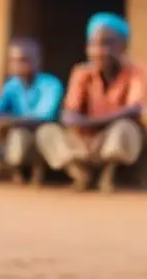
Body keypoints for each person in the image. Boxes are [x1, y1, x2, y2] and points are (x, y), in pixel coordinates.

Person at [35, 13, 145, 193]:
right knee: (46, 132)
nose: (99, 51)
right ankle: (80, 174)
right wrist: (93, 128)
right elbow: (69, 117)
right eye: (93, 44)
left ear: (124, 45)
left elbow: (134, 112)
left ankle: (110, 174)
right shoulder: (81, 72)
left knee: (125, 128)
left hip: (110, 139)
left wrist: (87, 122)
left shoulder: (137, 72)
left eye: (108, 44)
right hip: (85, 141)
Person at [0, 39, 62, 185]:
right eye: (13, 60)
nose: (18, 65)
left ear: (37, 61)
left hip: (39, 134)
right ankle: (2, 167)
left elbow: (45, 117)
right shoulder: (12, 85)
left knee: (24, 133)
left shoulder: (50, 84)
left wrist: (10, 122)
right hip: (15, 130)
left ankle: (32, 171)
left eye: (23, 60)